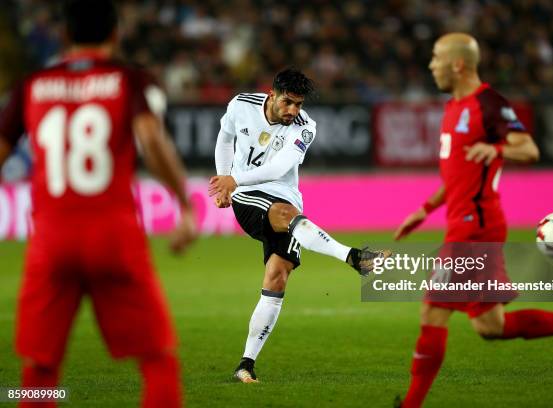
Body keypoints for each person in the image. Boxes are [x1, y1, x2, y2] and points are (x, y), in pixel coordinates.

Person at [393, 33, 553, 408]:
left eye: (436, 58)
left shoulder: (489, 105)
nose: (431, 66)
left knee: (432, 308)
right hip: (464, 221)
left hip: (475, 226)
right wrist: (426, 209)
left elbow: (529, 148)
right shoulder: (452, 108)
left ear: (458, 64)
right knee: (491, 327)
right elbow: (458, 175)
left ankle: (410, 405)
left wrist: (495, 148)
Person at [0, 1, 197, 407]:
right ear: (115, 34)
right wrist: (185, 204)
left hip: (50, 241)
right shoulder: (130, 79)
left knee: (39, 367)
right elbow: (151, 141)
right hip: (113, 236)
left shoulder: (33, 84)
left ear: (65, 36)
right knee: (157, 359)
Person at [210, 67, 391, 383]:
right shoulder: (241, 104)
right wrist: (225, 180)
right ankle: (355, 258)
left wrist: (232, 177)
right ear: (272, 95)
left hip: (285, 198)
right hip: (249, 196)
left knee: (277, 277)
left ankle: (245, 364)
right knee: (284, 215)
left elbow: (279, 167)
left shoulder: (306, 127)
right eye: (288, 103)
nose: (293, 110)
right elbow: (225, 139)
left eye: (299, 104)